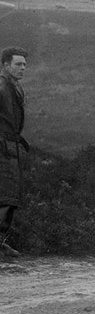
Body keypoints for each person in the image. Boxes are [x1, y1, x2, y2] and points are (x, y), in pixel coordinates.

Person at [0, 47, 29, 259]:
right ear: (5, 65)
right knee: (4, 197)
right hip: (2, 147)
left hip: (12, 148)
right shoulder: (1, 86)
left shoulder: (14, 87)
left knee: (10, 197)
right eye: (18, 64)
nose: (22, 68)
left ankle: (1, 243)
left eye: (24, 64)